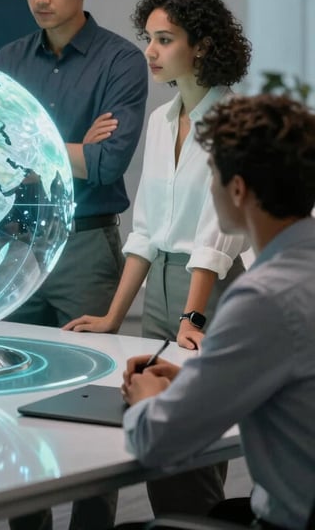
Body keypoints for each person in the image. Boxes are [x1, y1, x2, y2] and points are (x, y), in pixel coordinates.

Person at [65, 0, 252, 517]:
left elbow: (218, 237)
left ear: (202, 46)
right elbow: (144, 231)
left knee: (195, 457)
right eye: (148, 38)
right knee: (162, 456)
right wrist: (112, 317)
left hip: (213, 291)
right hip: (163, 290)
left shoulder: (230, 121)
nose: (149, 51)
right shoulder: (159, 120)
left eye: (164, 40)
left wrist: (193, 314)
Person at [0, 0, 148, 530]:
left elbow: (108, 163)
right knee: (9, 394)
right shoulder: (6, 61)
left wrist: (28, 145)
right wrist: (70, 147)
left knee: (98, 400)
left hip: (86, 246)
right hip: (14, 246)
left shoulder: (121, 61)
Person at [122, 94, 315, 530]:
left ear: (238, 189)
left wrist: (144, 400)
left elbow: (158, 442)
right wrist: (200, 378)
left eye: (211, 175)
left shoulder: (263, 299)